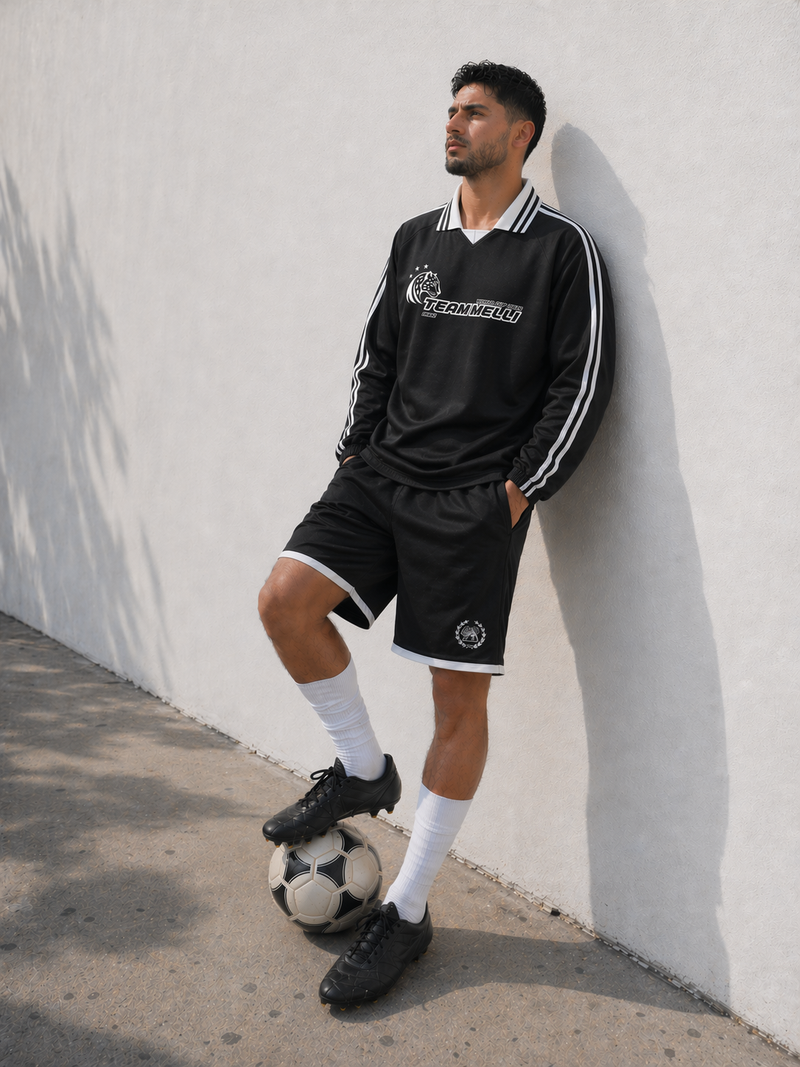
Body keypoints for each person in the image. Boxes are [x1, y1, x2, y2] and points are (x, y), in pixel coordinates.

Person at [258, 60, 615, 1007]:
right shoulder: (416, 237)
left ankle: (407, 911)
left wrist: (515, 494)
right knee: (286, 600)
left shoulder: (563, 251)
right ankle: (362, 768)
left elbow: (581, 382)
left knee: (456, 705)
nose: (454, 124)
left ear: (521, 134)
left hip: (472, 504)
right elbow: (376, 356)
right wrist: (354, 455)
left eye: (475, 112)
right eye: (451, 111)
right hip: (380, 477)